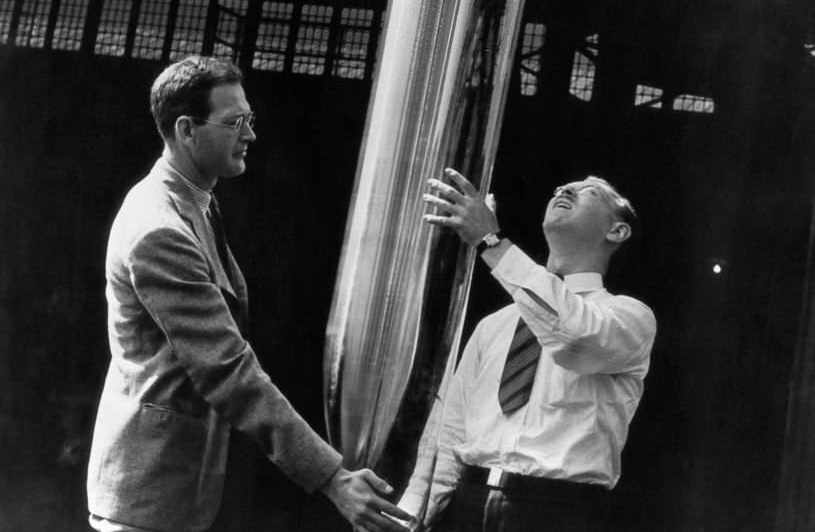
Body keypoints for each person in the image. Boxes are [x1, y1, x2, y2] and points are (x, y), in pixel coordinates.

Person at [86, 55, 409, 532]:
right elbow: (227, 369)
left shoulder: (194, 202)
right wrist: (332, 479)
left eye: (250, 120)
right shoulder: (161, 230)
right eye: (235, 122)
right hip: (150, 498)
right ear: (185, 130)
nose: (251, 135)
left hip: (179, 488)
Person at [398, 168, 656, 532]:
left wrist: (491, 242)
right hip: (468, 504)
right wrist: (413, 513)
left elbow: (573, 337)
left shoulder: (630, 318)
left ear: (617, 231)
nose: (564, 187)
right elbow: (449, 427)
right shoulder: (494, 326)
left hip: (555, 512)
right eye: (563, 185)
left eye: (591, 192)